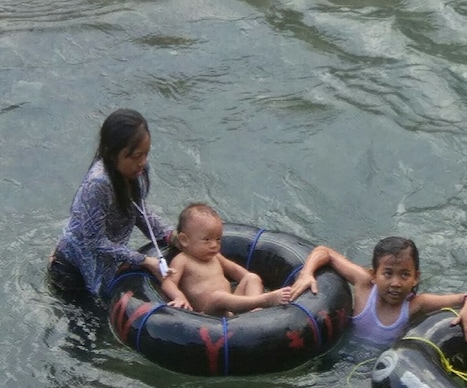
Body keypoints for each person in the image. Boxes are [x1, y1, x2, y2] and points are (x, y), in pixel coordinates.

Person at [49, 109, 173, 299]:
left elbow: (140, 213)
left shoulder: (135, 172)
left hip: (105, 264)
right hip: (73, 271)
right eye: (135, 156)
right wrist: (144, 260)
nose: (142, 162)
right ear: (111, 153)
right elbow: (95, 241)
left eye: (145, 154)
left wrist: (170, 236)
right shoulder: (98, 184)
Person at [289, 237, 467, 346]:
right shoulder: (364, 285)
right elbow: (325, 251)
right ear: (374, 274)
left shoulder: (416, 304)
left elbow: (464, 297)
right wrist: (307, 273)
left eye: (405, 275)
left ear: (416, 277)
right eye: (388, 274)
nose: (396, 283)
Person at [161, 203, 292, 316]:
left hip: (231, 308)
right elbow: (168, 283)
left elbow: (235, 270)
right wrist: (179, 298)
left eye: (218, 239)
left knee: (251, 277)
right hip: (208, 314)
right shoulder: (182, 260)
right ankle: (264, 300)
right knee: (218, 297)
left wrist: (253, 281)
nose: (214, 245)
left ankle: (255, 312)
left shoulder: (215, 256)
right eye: (206, 240)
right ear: (184, 240)